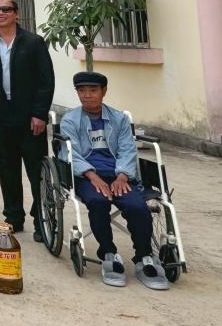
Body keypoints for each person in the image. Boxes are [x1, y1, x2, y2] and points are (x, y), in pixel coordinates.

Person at [60, 71, 170, 290]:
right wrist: (92, 176)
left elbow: (128, 150)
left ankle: (144, 257)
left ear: (104, 92)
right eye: (82, 91)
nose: (87, 95)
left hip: (119, 174)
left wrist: (122, 176)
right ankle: (109, 254)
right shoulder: (70, 120)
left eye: (93, 90)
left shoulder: (119, 119)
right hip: (86, 176)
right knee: (98, 201)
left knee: (137, 205)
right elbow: (71, 154)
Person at [0, 0, 55, 241]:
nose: (1, 13)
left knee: (36, 172)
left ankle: (42, 220)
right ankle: (13, 217)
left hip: (30, 120)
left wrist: (39, 114)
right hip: (2, 120)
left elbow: (45, 81)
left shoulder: (33, 42)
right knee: (8, 172)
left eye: (6, 9)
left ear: (16, 13)